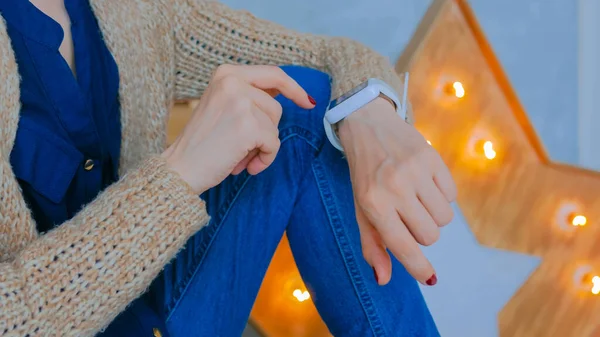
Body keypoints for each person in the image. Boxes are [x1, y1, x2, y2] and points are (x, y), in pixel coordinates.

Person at [0, 0, 456, 336]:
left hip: (162, 299)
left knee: (304, 106)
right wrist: (179, 174)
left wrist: (371, 113)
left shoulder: (132, 8)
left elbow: (327, 58)